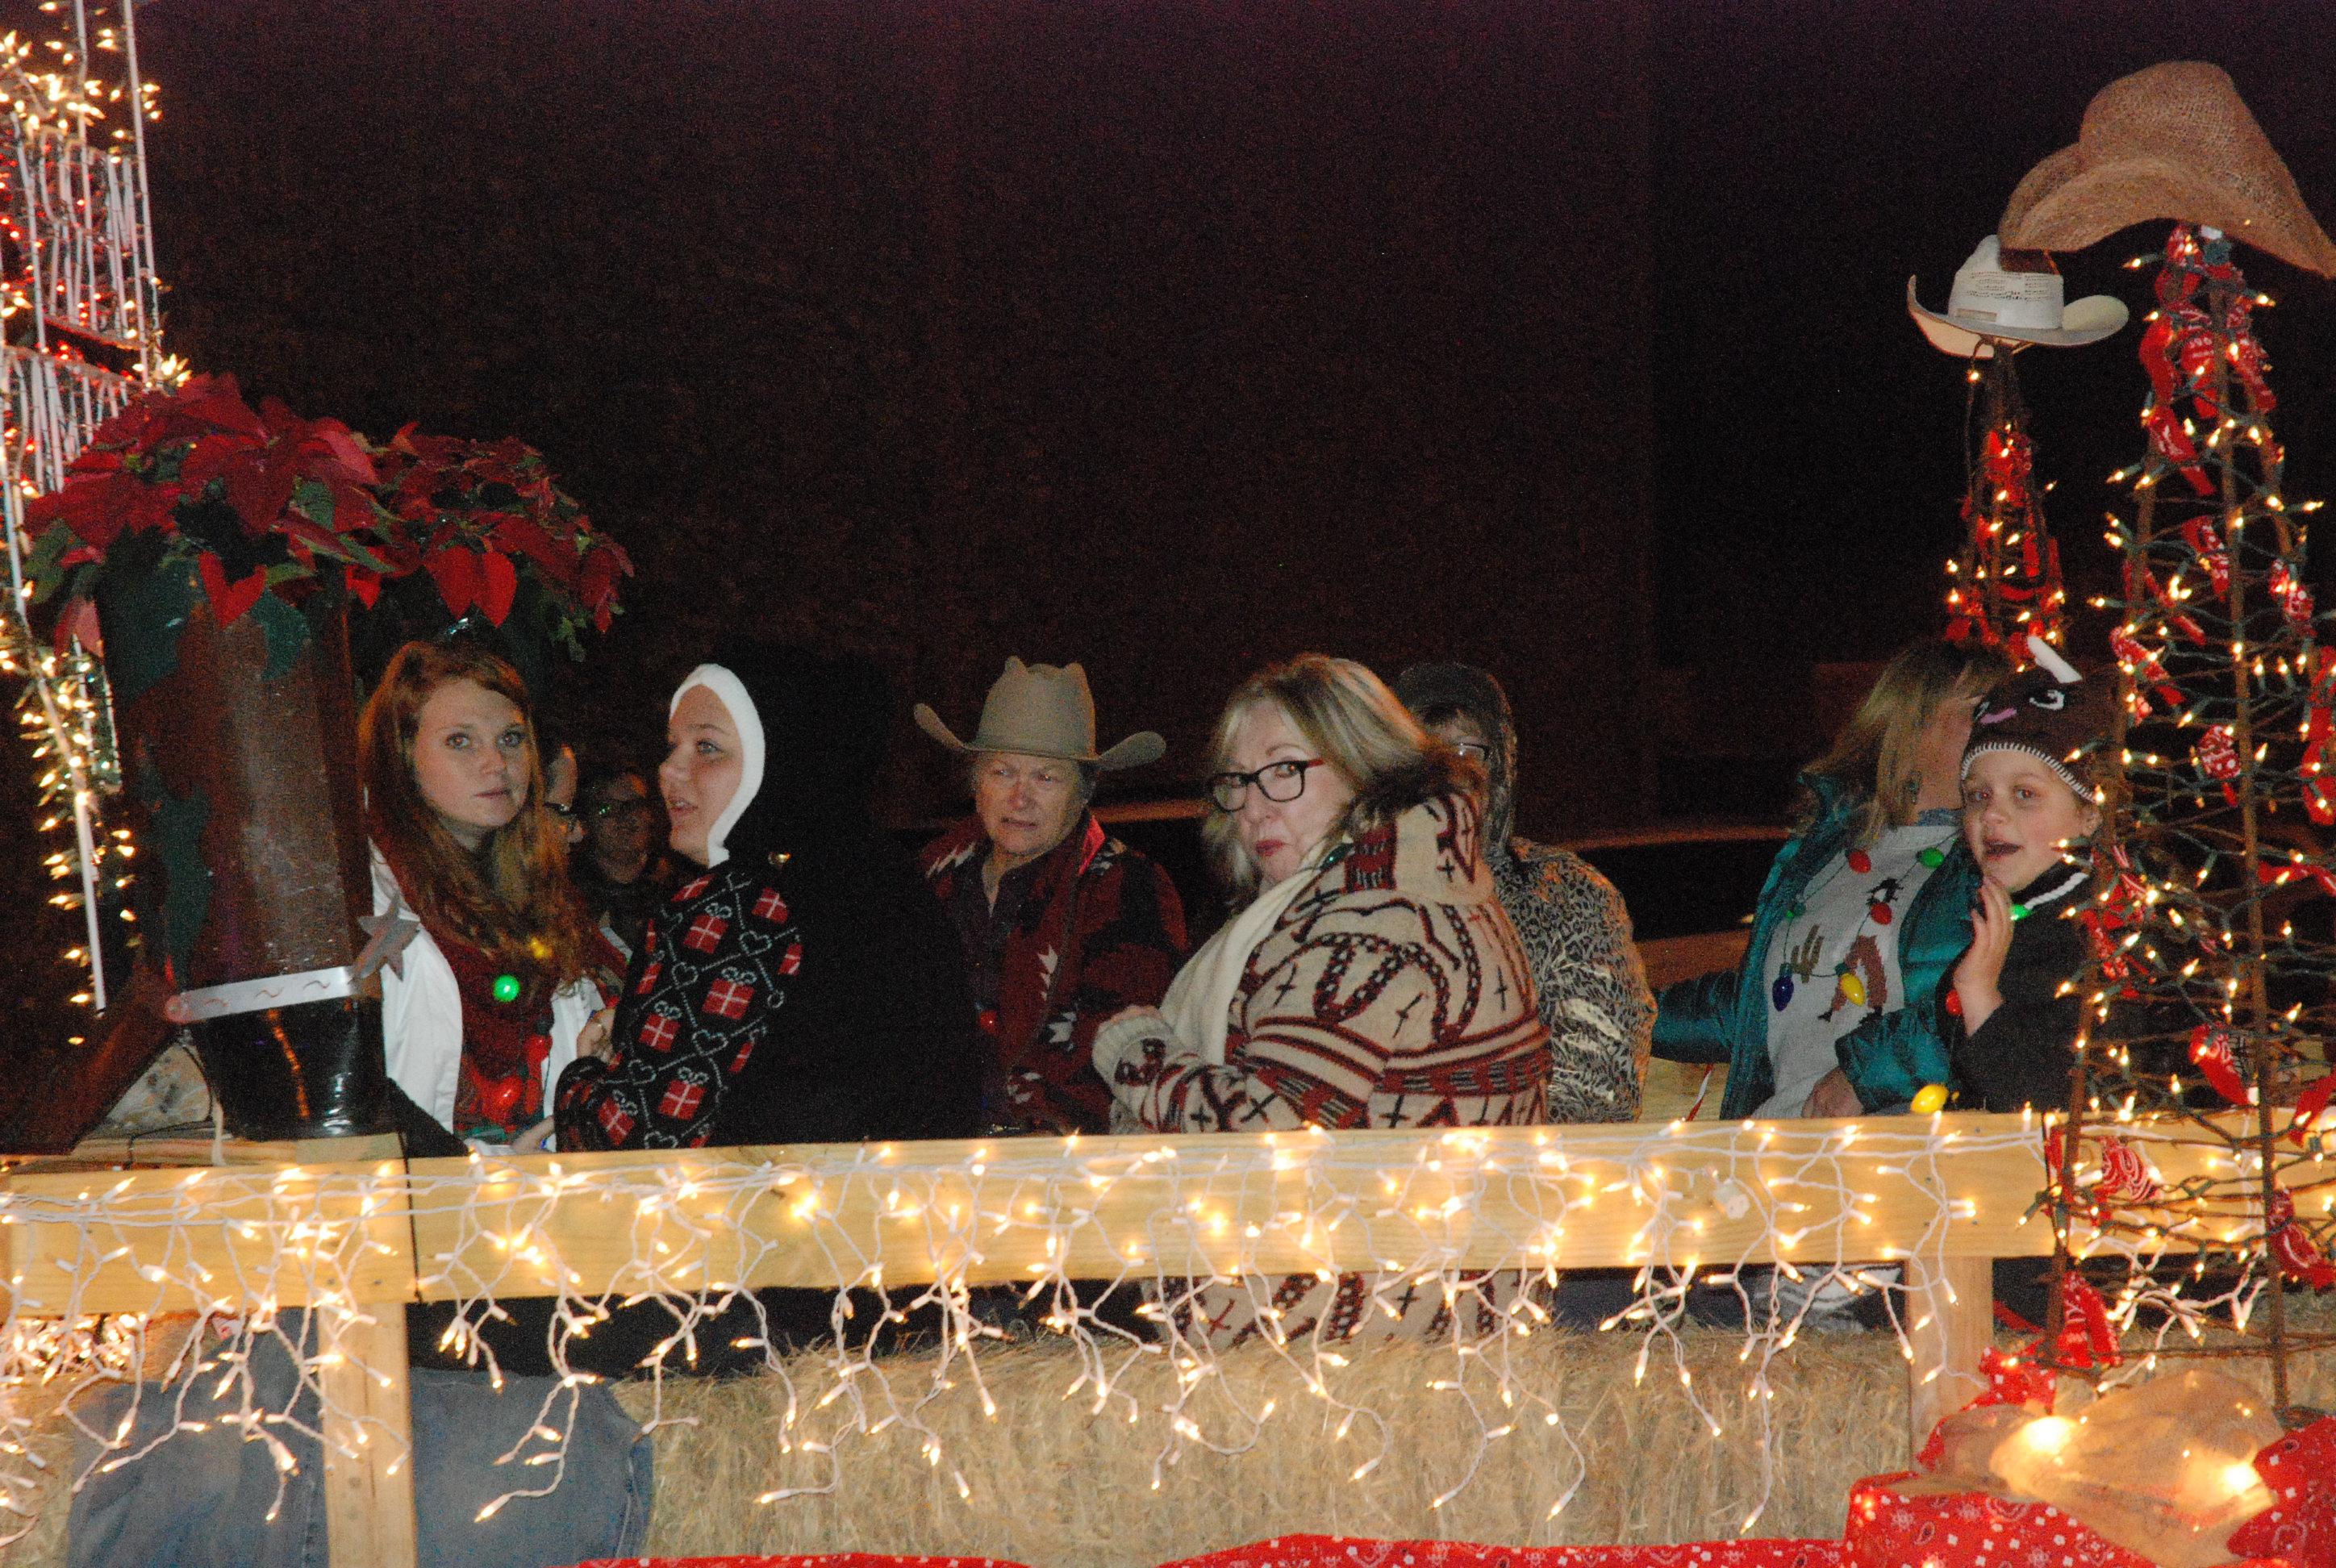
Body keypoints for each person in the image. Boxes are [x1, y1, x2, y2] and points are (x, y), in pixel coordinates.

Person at [1092, 653, 1550, 1345]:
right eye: (1239, 782)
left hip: (1362, 1323)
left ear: (1365, 765)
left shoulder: (1372, 920)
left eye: (1284, 771)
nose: (1251, 806)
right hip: (1441, 1301)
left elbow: (1266, 1131)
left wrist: (1138, 1051)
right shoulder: (1425, 881)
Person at [555, 644, 985, 1151]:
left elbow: (631, 1143)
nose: (670, 769)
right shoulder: (888, 883)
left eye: (707, 747)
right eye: (672, 745)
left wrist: (583, 1073)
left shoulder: (741, 905)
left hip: (762, 1224)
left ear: (781, 760)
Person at [1653, 638, 2012, 1120]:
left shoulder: (1999, 857)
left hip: (1907, 1161)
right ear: (1914, 721)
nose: (2007, 729)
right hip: (1780, 1150)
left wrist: (1868, 1074)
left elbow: (2011, 998)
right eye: (1984, 710)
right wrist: (1618, 1012)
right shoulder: (1826, 852)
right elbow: (1761, 1006)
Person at [358, 640, 619, 1149]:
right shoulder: (362, 898)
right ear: (403, 756)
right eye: (460, 741)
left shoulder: (542, 899)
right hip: (420, 1207)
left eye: (512, 738)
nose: (496, 763)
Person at [913, 657, 1189, 1134]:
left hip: (1059, 1161)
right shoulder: (927, 878)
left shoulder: (1128, 887)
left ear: (1083, 793)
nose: (1020, 798)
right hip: (920, 1142)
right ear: (976, 782)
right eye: (1003, 772)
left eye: (1046, 777)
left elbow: (1118, 1042)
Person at [1395, 662, 1654, 1122]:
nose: (1444, 772)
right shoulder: (1352, 895)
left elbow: (1594, 1091)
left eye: (1466, 749)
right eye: (1422, 750)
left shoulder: (1563, 895)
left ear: (1502, 763)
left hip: (1518, 1174)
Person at [1945, 642, 2123, 1114]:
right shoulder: (2004, 912)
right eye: (1978, 795)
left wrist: (1980, 991)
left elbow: (2053, 1109)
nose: (1992, 815)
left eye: (2024, 794)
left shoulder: (2110, 936)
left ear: (2090, 813)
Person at [573, 762, 674, 958]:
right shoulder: (569, 896)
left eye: (634, 805)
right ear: (586, 822)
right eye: (607, 808)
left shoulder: (679, 891)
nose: (624, 816)